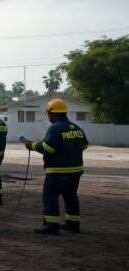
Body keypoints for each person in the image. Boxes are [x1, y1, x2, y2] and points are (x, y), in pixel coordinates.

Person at [24, 98, 88, 235]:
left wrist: (32, 145)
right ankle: (73, 225)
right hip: (76, 171)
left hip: (58, 171)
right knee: (71, 196)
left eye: (48, 113)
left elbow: (48, 148)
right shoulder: (76, 127)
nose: (48, 116)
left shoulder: (55, 128)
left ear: (52, 113)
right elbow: (84, 145)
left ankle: (52, 226)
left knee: (50, 196)